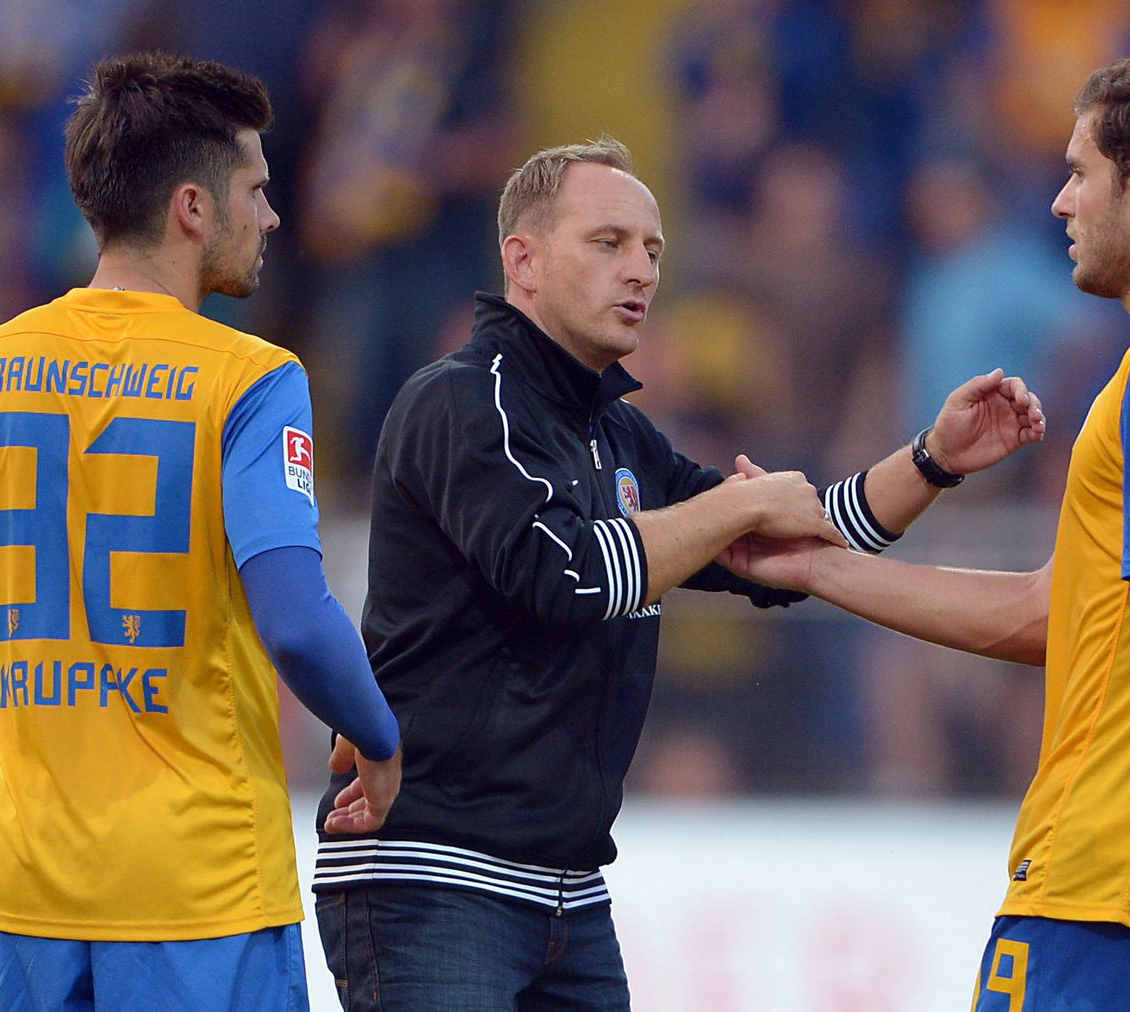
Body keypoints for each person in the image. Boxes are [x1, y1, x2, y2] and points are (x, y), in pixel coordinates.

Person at [310, 136, 1045, 1011]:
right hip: (433, 878)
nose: (642, 272)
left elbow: (789, 550)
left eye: (654, 250)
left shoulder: (619, 436)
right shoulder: (466, 402)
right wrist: (736, 507)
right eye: (609, 243)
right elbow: (575, 577)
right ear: (524, 259)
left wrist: (931, 459)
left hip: (567, 891)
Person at [725, 45, 1130, 1011]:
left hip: (1120, 900)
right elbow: (1059, 614)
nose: (1059, 203)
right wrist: (818, 569)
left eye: (1080, 172)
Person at [0, 52, 403, 1011]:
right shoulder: (250, 380)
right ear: (193, 208)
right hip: (199, 898)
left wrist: (10, 817)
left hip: (18, 900)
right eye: (257, 189)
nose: (274, 216)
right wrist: (379, 738)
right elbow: (297, 620)